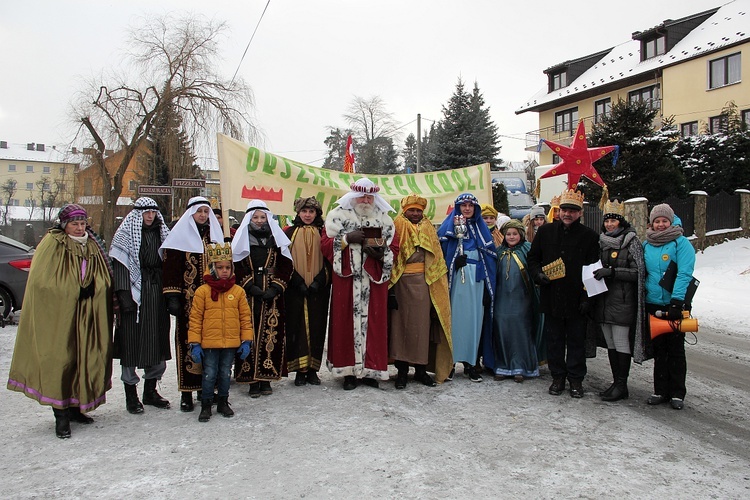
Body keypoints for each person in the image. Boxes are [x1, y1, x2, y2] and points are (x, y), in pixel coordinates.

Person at [7, 204, 114, 439]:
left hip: (88, 314)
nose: (78, 228)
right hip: (60, 315)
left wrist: (95, 290)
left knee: (84, 357)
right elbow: (42, 282)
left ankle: (76, 407)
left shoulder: (93, 245)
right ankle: (61, 415)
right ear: (64, 225)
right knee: (62, 359)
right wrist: (75, 290)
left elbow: (104, 277)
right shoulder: (52, 244)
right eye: (74, 224)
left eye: (82, 223)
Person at [322, 178, 399, 390]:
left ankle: (370, 371)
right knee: (345, 323)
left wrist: (381, 255)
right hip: (347, 281)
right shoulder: (337, 216)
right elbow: (326, 245)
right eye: (362, 196)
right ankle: (347, 372)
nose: (366, 200)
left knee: (374, 324)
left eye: (370, 196)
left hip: (373, 281)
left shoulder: (384, 220)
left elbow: (395, 248)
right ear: (354, 196)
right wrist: (347, 238)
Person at [527, 189, 599, 398]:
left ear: (579, 213)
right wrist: (538, 275)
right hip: (552, 296)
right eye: (565, 210)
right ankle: (557, 377)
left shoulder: (590, 237)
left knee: (576, 341)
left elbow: (593, 269)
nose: (568, 214)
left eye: (572, 211)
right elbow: (533, 259)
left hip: (577, 298)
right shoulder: (546, 232)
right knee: (554, 340)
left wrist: (588, 298)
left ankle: (576, 380)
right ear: (559, 211)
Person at [160, 196, 224, 412]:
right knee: (188, 345)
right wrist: (172, 297)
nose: (204, 216)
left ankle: (206, 390)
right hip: (188, 303)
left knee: (211, 344)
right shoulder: (179, 237)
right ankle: (186, 392)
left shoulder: (213, 237)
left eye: (206, 212)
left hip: (213, 302)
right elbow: (170, 269)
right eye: (200, 212)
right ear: (191, 214)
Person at [110, 197, 171, 414]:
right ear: (137, 214)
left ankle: (150, 391)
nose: (150, 216)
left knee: (156, 341)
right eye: (146, 212)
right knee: (131, 344)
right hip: (134, 297)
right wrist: (124, 294)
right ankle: (131, 395)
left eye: (153, 212)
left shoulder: (161, 233)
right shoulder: (125, 234)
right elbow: (120, 264)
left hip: (155, 293)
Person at [389, 194, 453, 389]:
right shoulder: (396, 226)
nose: (415, 214)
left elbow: (437, 257)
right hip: (400, 283)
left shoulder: (429, 228)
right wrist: (389, 290)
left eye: (418, 210)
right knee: (399, 328)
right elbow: (391, 257)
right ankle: (401, 371)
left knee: (422, 328)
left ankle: (421, 371)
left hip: (425, 284)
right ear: (405, 211)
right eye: (412, 210)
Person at [232, 200, 293, 397]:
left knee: (270, 334)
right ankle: (251, 379)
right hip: (248, 294)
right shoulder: (242, 239)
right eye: (255, 218)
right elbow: (236, 266)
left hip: (272, 294)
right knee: (248, 334)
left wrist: (276, 288)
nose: (259, 221)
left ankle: (266, 377)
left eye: (262, 217)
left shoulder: (276, 239)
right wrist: (250, 286)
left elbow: (286, 266)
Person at [187, 242, 254, 422]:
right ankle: (206, 404)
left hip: (230, 342)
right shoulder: (203, 292)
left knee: (225, 373)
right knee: (209, 373)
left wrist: (246, 340)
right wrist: (195, 343)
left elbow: (245, 318)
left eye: (227, 267)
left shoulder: (238, 292)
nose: (224, 271)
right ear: (213, 268)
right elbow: (195, 319)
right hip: (209, 343)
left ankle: (223, 401)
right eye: (220, 267)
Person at [591, 200, 647, 402]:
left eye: (613, 221)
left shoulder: (631, 242)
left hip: (623, 300)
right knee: (611, 344)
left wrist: (613, 272)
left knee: (622, 342)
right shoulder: (602, 242)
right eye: (607, 221)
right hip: (604, 300)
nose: (610, 225)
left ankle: (622, 384)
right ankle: (616, 382)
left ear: (621, 222)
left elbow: (638, 272)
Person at [438, 193, 497, 382]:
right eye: (463, 205)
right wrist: (454, 262)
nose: (467, 208)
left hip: (478, 278)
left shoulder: (482, 229)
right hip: (457, 279)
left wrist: (489, 288)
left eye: (471, 205)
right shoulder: (449, 228)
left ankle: (471, 363)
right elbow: (442, 257)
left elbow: (490, 257)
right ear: (458, 207)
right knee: (456, 320)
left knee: (475, 320)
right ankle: (451, 363)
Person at [643, 203, 696, 410]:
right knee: (659, 349)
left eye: (665, 221)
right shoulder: (647, 244)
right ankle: (660, 390)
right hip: (653, 303)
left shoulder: (681, 244)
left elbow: (684, 273)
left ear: (671, 221)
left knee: (675, 349)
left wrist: (677, 301)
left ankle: (677, 393)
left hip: (675, 304)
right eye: (657, 221)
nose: (661, 225)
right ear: (652, 223)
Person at [283, 197, 332, 386]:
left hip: (319, 289)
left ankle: (312, 369)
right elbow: (284, 260)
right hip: (295, 288)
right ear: (298, 213)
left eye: (311, 212)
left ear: (317, 213)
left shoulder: (325, 233)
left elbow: (330, 259)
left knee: (317, 326)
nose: (308, 215)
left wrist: (320, 281)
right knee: (296, 326)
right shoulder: (288, 233)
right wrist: (297, 281)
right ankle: (299, 370)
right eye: (304, 211)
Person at [491, 219, 541, 382]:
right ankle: (503, 366)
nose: (511, 237)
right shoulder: (498, 252)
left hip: (522, 298)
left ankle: (522, 366)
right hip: (501, 298)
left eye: (514, 234)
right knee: (501, 329)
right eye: (508, 234)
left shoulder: (528, 250)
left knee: (521, 330)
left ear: (521, 235)